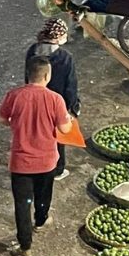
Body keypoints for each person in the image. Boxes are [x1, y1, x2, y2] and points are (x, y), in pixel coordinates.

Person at [0, 56, 73, 256]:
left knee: (22, 204)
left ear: (28, 74)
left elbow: (2, 119)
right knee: (43, 194)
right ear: (47, 76)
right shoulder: (55, 99)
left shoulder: (14, 95)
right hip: (47, 161)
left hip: (21, 162)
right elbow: (65, 128)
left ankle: (25, 247)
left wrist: (19, 123)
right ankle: (40, 221)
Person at [25, 19, 80, 181]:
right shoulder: (65, 57)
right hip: (57, 104)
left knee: (35, 133)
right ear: (59, 36)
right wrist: (73, 108)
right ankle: (57, 169)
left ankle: (35, 164)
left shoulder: (32, 51)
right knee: (56, 138)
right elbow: (71, 86)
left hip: (34, 101)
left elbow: (27, 76)